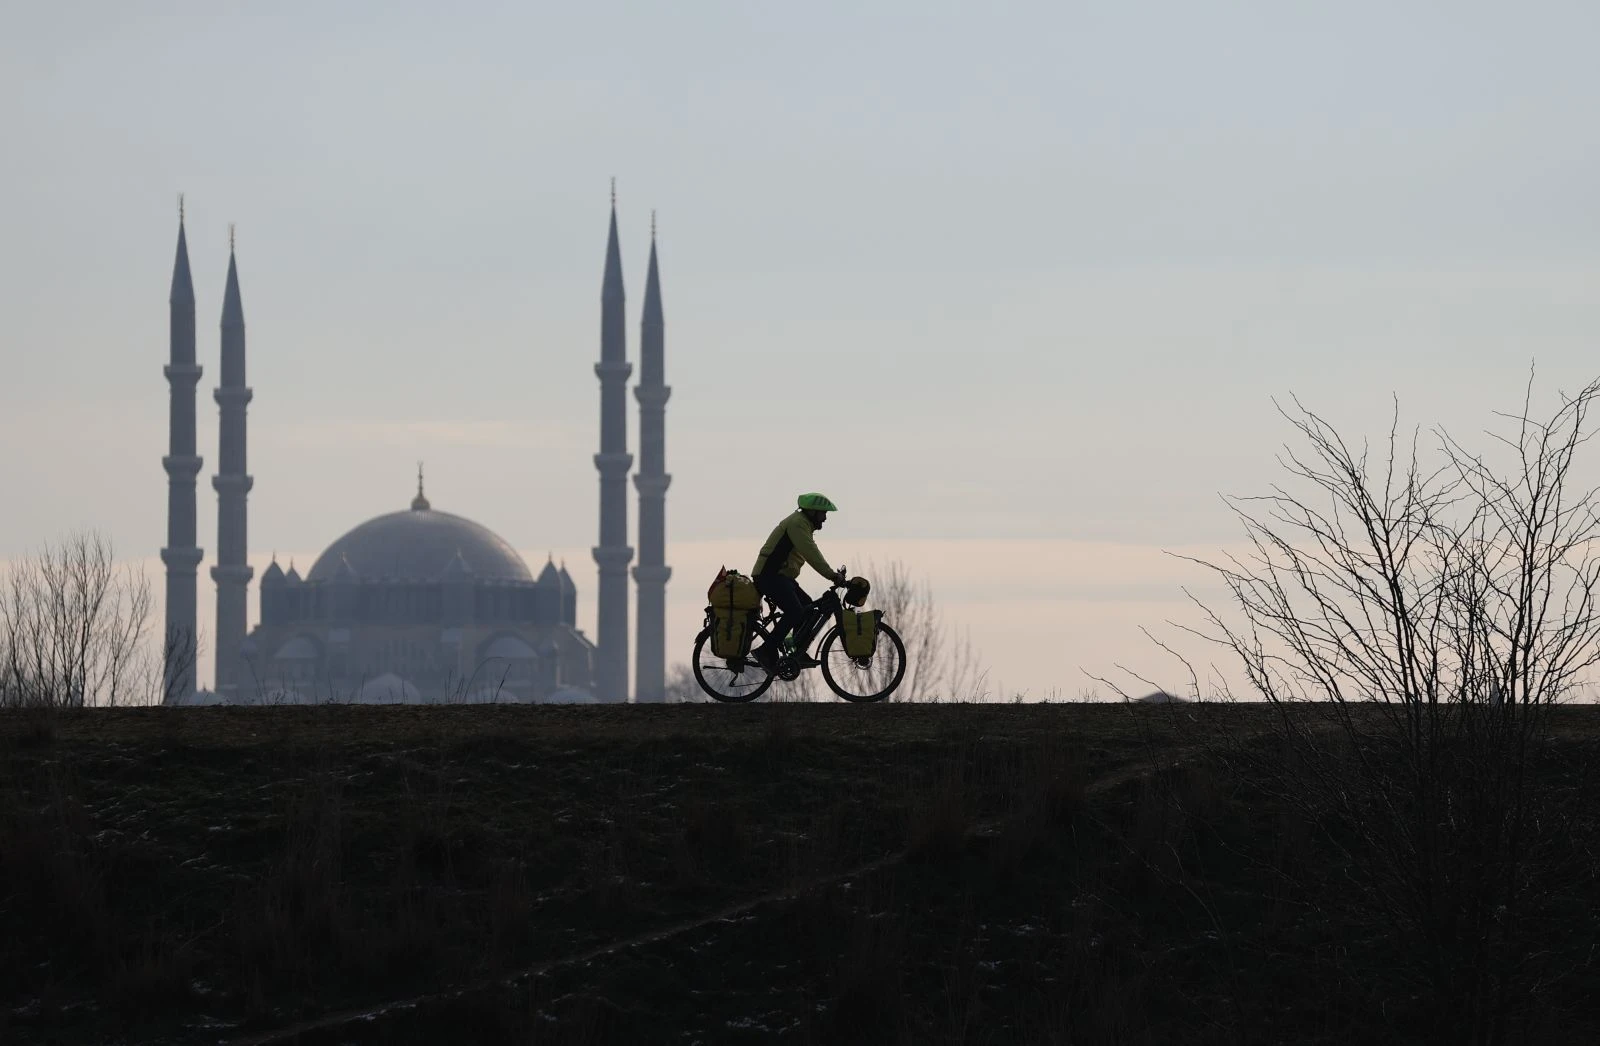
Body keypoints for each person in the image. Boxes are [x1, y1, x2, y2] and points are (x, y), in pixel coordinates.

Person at [752, 493, 846, 669]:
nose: (825, 518)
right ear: (812, 512)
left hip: (781, 577)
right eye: (823, 513)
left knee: (808, 608)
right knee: (795, 611)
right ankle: (765, 650)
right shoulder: (798, 524)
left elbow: (811, 551)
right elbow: (811, 553)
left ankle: (797, 652)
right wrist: (832, 575)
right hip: (769, 576)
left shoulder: (803, 524)